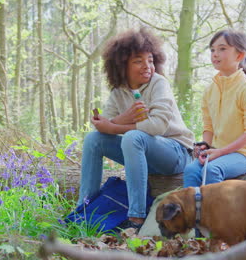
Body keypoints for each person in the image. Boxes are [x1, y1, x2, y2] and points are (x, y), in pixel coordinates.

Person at [78, 28, 194, 230]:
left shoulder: (159, 83)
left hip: (176, 153)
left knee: (132, 137)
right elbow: (106, 125)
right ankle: (84, 209)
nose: (147, 66)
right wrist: (120, 120)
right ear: (122, 65)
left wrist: (117, 126)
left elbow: (157, 125)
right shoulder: (118, 91)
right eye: (138, 61)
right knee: (93, 139)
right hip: (143, 153)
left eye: (150, 60)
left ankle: (136, 218)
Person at [183, 29, 246, 187]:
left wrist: (221, 152)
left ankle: (216, 212)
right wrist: (204, 147)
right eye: (213, 50)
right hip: (216, 152)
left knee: (212, 170)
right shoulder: (209, 90)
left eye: (222, 49)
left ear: (239, 55)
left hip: (245, 155)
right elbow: (208, 127)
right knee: (190, 170)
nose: (215, 54)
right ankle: (194, 212)